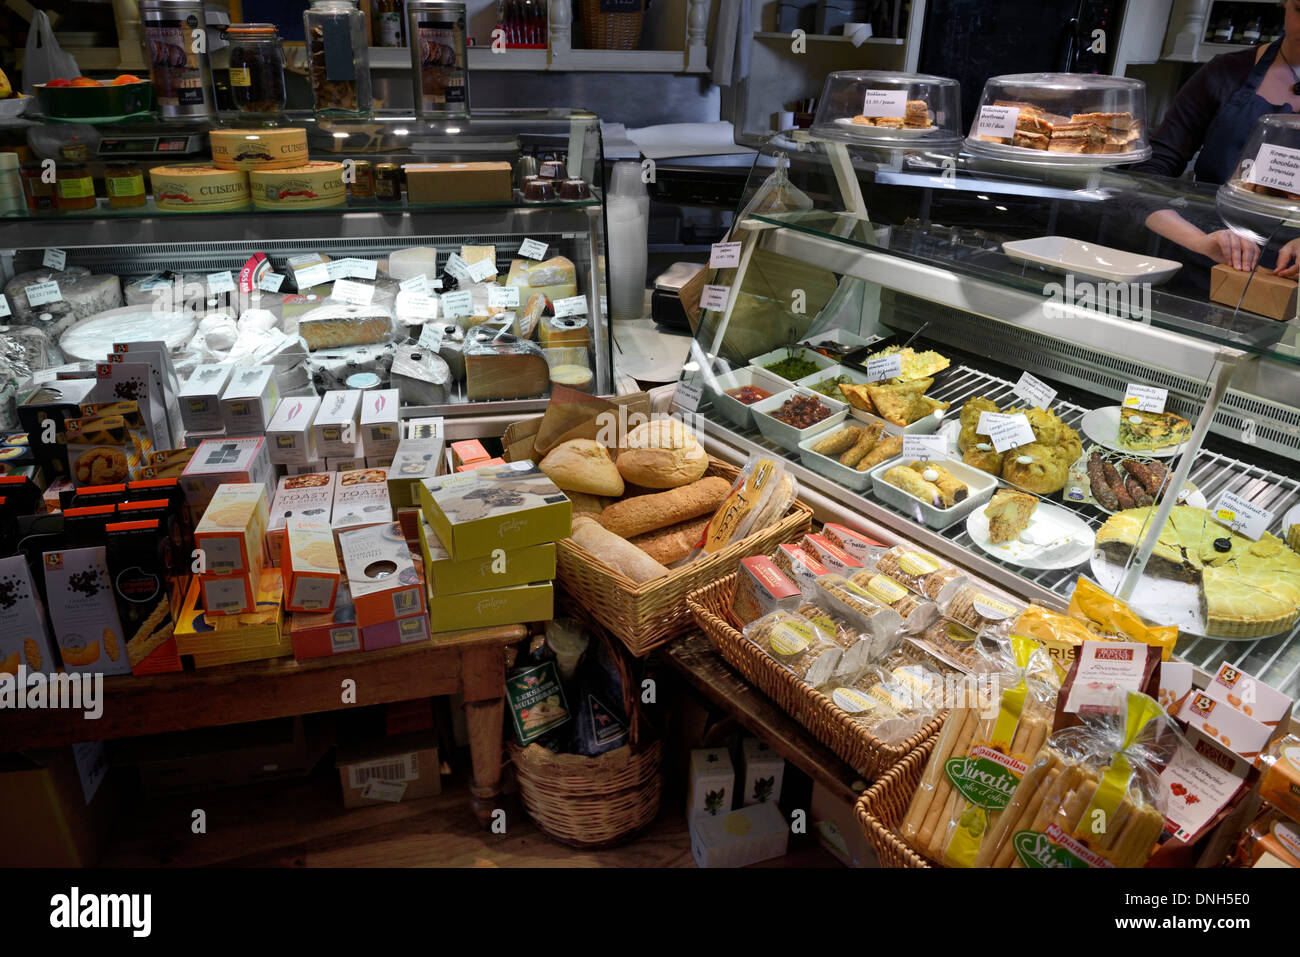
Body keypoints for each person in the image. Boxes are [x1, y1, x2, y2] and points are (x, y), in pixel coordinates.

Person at [1133, 0, 1300, 277]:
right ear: (1284, 3)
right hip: (1205, 264)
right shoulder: (1224, 73)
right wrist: (1199, 241)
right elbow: (1149, 175)